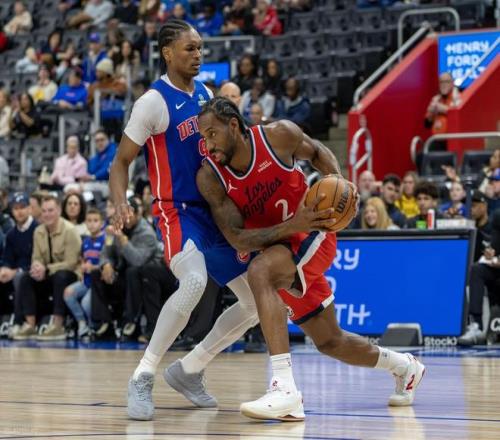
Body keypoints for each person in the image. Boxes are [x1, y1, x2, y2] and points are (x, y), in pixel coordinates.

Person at [196, 97, 424, 421]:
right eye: (203, 137)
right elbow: (237, 238)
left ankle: (285, 389)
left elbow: (317, 152)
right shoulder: (211, 176)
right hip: (281, 246)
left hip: (313, 234)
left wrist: (341, 186)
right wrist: (290, 226)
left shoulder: (278, 135)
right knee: (331, 341)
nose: (208, 145)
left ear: (233, 125)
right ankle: (405, 367)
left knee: (260, 272)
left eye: (212, 134)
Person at [108, 20, 259, 421]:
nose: (197, 55)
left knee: (256, 303)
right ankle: (142, 376)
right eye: (189, 48)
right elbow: (121, 162)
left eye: (200, 48)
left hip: (215, 210)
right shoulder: (152, 102)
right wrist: (119, 201)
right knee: (193, 281)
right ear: (167, 53)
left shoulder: (206, 95)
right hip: (177, 211)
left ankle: (190, 369)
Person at [91, 197, 162, 340]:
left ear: (137, 214)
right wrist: (106, 265)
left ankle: (131, 321)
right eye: (122, 214)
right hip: (123, 276)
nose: (125, 218)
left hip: (145, 279)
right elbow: (106, 251)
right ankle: (104, 323)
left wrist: (123, 240)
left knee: (132, 272)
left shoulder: (147, 233)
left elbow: (138, 261)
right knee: (96, 273)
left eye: (129, 214)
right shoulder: (117, 227)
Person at [13, 195, 81, 340]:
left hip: (70, 276)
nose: (47, 214)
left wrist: (47, 269)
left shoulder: (70, 230)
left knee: (61, 276)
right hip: (48, 275)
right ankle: (30, 325)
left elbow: (71, 262)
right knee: (25, 278)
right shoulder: (38, 231)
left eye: (50, 210)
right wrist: (37, 267)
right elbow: (36, 257)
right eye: (44, 211)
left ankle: (58, 326)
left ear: (59, 211)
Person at [458, 209, 500, 346]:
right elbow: (495, 246)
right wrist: (491, 252)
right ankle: (477, 325)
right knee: (477, 270)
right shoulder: (498, 215)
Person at [63, 207, 105, 338]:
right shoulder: (85, 241)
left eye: (95, 221)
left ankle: (94, 326)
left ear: (102, 223)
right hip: (86, 281)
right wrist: (81, 269)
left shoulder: (105, 240)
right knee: (68, 293)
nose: (92, 224)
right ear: (85, 223)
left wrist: (94, 267)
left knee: (86, 303)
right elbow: (82, 259)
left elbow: (109, 263)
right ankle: (82, 322)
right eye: (89, 221)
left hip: (98, 283)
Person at [0, 193, 37, 338]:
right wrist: (4, 269)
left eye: (22, 207)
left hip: (33, 272)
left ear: (29, 209)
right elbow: (7, 258)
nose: (19, 211)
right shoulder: (11, 234)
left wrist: (16, 271)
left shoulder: (38, 229)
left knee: (20, 278)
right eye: (15, 208)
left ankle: (18, 321)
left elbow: (38, 258)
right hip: (16, 271)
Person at [424, 72, 461, 150]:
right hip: (435, 139)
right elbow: (427, 124)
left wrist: (444, 109)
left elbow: (459, 116)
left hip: (451, 140)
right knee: (420, 155)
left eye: (447, 82)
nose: (444, 84)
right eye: (441, 82)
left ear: (452, 83)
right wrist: (431, 112)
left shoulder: (457, 97)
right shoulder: (436, 99)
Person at [80, 129, 117, 197]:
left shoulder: (114, 152)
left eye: (102, 140)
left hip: (111, 185)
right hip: (97, 184)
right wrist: (85, 179)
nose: (100, 143)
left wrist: (93, 177)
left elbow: (107, 170)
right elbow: (91, 170)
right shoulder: (97, 156)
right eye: (97, 141)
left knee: (81, 189)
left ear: (108, 140)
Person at [470, 190, 492, 262]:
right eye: (468, 205)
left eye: (473, 205)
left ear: (484, 206)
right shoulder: (469, 229)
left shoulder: (494, 228)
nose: (470, 209)